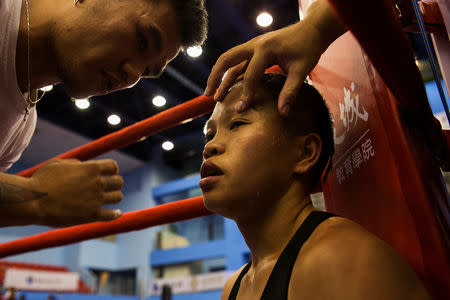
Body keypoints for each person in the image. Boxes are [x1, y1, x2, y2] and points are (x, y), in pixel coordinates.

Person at [200, 73, 430, 299]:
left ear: (305, 153)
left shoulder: (343, 260)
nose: (209, 147)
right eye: (210, 134)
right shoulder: (233, 287)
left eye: (237, 123)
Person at [0, 0, 208, 227]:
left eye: (147, 72)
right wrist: (35, 198)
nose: (133, 76)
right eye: (141, 41)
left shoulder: (21, 129)